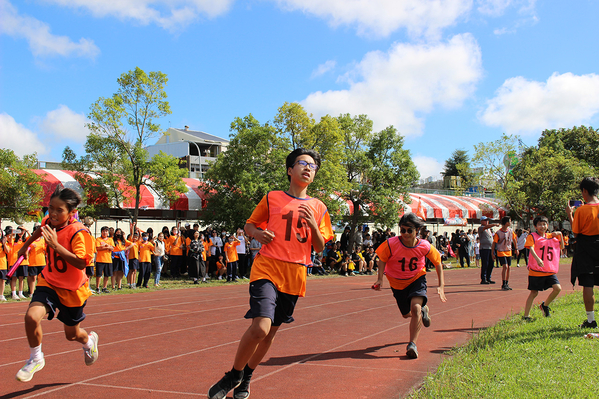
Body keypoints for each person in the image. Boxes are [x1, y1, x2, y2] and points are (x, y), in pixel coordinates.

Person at [208, 148, 334, 399]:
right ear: (290, 170)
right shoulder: (272, 198)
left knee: (270, 333)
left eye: (313, 166)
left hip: (295, 273)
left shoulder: (319, 207)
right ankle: (234, 374)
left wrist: (311, 225)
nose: (308, 168)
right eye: (302, 163)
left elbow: (320, 246)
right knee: (260, 328)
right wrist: (256, 234)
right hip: (267, 267)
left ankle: (247, 376)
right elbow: (249, 225)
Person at [15, 187, 98, 382]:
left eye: (59, 210)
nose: (52, 213)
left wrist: (55, 246)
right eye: (50, 208)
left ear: (71, 213)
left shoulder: (79, 232)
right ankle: (36, 358)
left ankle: (88, 341)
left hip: (72, 290)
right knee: (31, 317)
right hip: (49, 282)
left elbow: (81, 262)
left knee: (72, 335)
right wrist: (25, 246)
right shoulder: (48, 221)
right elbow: (40, 230)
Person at [372, 213, 447, 359]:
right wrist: (380, 279)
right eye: (402, 230)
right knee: (407, 314)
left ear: (417, 231)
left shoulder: (424, 246)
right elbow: (382, 259)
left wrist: (441, 286)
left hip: (416, 279)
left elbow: (438, 263)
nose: (405, 234)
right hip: (396, 282)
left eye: (409, 230)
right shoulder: (391, 244)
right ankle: (423, 311)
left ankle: (412, 344)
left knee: (415, 309)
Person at [566, 177, 599, 328]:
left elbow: (576, 232)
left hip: (586, 249)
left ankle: (591, 320)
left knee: (588, 284)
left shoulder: (582, 210)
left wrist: (570, 214)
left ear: (585, 191)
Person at [522, 216, 563, 320]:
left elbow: (562, 246)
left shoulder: (551, 236)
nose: (542, 226)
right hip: (536, 271)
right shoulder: (532, 236)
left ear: (547, 225)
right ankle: (526, 315)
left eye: (544, 224)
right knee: (534, 293)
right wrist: (538, 259)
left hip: (549, 270)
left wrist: (560, 235)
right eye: (540, 224)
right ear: (535, 226)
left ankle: (544, 305)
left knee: (557, 288)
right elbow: (530, 248)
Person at [491, 216, 518, 291]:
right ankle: (503, 283)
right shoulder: (498, 233)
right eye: (510, 221)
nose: (511, 222)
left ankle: (506, 282)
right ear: (506, 223)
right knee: (505, 266)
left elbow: (514, 239)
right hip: (501, 251)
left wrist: (516, 249)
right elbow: (494, 243)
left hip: (508, 251)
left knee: (509, 267)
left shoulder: (510, 231)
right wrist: (492, 252)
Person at [27, 224, 47, 297]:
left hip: (41, 262)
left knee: (40, 277)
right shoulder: (30, 240)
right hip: (33, 262)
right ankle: (31, 293)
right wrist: (31, 248)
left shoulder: (43, 240)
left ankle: (40, 292)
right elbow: (27, 251)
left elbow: (46, 250)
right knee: (33, 277)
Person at [478, 216, 499, 285]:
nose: (487, 221)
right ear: (481, 221)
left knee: (491, 263)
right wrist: (494, 224)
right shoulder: (481, 228)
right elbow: (485, 227)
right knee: (485, 263)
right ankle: (483, 278)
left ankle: (488, 277)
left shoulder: (489, 230)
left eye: (487, 220)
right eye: (485, 220)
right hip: (484, 248)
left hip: (490, 248)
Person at [95, 226, 114, 293]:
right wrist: (106, 247)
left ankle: (104, 287)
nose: (105, 233)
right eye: (103, 231)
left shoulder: (110, 240)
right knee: (99, 274)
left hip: (108, 260)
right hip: (100, 260)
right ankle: (97, 287)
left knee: (107, 275)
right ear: (101, 232)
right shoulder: (98, 239)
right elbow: (97, 248)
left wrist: (107, 246)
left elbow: (112, 248)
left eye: (106, 231)